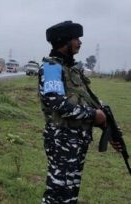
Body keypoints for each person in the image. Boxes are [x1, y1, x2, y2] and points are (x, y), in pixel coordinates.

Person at [38, 21, 107, 203]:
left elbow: (87, 99)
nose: (80, 43)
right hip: (62, 139)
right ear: (64, 41)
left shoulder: (73, 69)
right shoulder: (52, 68)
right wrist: (93, 115)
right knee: (57, 193)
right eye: (76, 39)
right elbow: (58, 105)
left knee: (70, 195)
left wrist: (104, 116)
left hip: (77, 140)